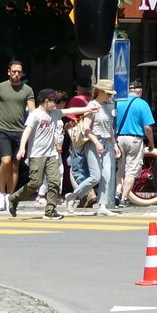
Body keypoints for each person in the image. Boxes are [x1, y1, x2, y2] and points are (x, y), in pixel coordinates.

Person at [6, 89, 88, 219]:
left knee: (55, 181)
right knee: (35, 183)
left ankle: (50, 210)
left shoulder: (54, 113)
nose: (56, 104)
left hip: (51, 154)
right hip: (36, 155)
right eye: (54, 101)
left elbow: (70, 111)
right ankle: (14, 198)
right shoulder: (35, 115)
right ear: (46, 101)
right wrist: (22, 148)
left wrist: (88, 108)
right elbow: (27, 130)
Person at [0, 58, 35, 212]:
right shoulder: (0, 88)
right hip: (3, 129)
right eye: (14, 71)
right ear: (9, 72)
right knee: (5, 162)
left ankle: (11, 196)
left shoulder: (27, 90)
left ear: (22, 73)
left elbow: (33, 112)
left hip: (20, 132)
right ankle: (1, 193)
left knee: (15, 166)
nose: (16, 74)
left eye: (19, 72)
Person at [115, 79, 156, 206]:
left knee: (120, 169)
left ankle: (117, 193)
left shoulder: (118, 103)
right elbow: (147, 128)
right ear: (140, 91)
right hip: (134, 139)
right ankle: (124, 199)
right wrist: (151, 142)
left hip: (119, 138)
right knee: (131, 171)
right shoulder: (142, 104)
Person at [64, 73, 100, 213]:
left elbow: (72, 121)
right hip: (91, 138)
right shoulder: (92, 99)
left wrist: (67, 131)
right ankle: (85, 197)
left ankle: (89, 193)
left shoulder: (76, 100)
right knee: (89, 168)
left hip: (79, 138)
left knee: (77, 168)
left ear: (78, 87)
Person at [89, 78, 122, 215]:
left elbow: (109, 130)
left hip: (107, 142)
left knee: (107, 175)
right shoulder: (92, 105)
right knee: (96, 177)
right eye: (108, 94)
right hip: (95, 142)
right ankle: (73, 195)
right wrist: (96, 143)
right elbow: (86, 128)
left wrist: (115, 145)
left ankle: (102, 206)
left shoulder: (107, 107)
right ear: (101, 92)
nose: (110, 96)